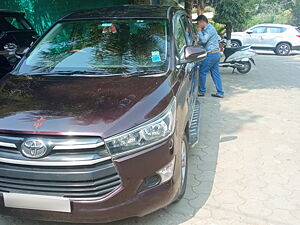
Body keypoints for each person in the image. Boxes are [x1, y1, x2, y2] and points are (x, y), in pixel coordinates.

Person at [195, 15, 224, 98]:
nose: (198, 25)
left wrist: (199, 32)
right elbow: (205, 42)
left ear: (202, 22)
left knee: (202, 72)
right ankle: (220, 92)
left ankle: (202, 91)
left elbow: (204, 40)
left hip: (211, 54)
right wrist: (197, 43)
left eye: (198, 23)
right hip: (215, 54)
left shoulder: (209, 29)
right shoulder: (209, 29)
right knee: (215, 74)